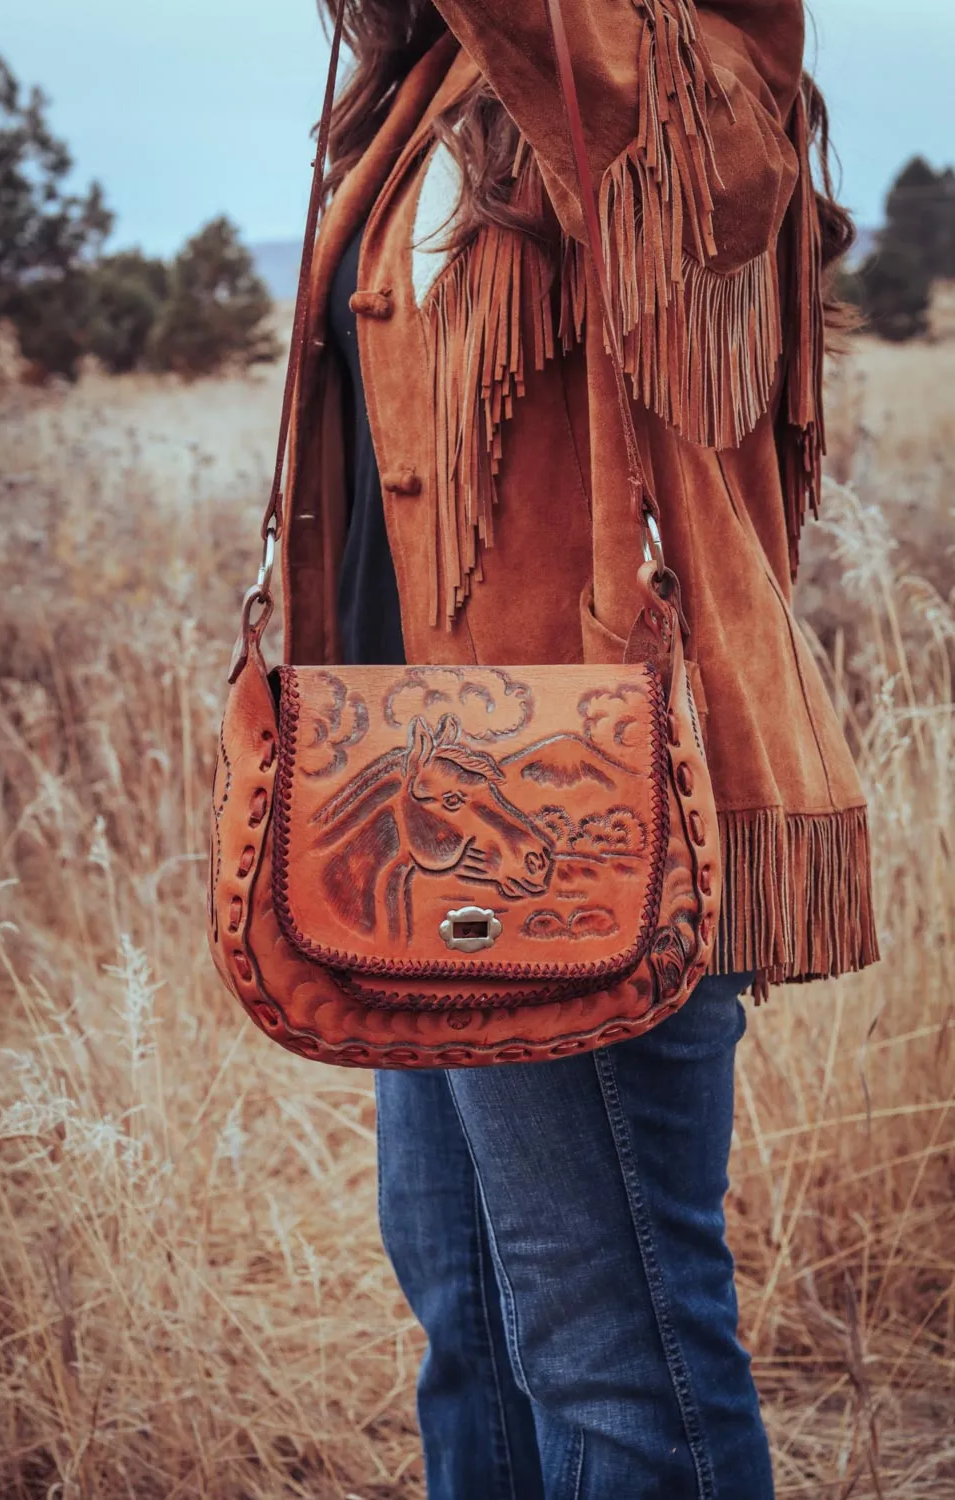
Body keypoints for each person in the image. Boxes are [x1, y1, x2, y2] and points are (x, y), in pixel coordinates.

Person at [285, 2, 880, 1494]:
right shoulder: (426, 94)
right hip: (411, 794)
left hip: (577, 804)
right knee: (470, 1329)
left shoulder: (688, 75)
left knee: (615, 1355)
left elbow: (680, 188)